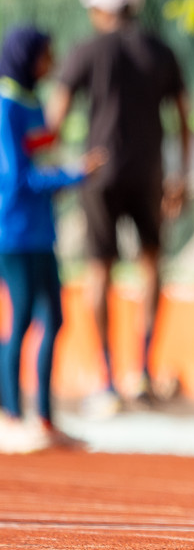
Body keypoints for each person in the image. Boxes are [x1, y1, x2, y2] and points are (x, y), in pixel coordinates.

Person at [48, 0, 191, 416]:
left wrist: (55, 165)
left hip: (99, 174)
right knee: (150, 266)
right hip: (149, 172)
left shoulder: (88, 50)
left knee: (98, 271)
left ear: (105, 7)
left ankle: (107, 379)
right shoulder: (161, 52)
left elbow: (55, 115)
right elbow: (184, 119)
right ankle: (142, 371)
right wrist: (181, 174)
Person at [0, 26, 104, 452]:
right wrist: (74, 173)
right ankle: (10, 415)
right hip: (14, 233)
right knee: (22, 319)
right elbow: (16, 178)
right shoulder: (6, 105)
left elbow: (37, 146)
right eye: (46, 56)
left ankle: (43, 417)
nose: (52, 63)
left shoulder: (30, 102)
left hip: (42, 233)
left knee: (55, 320)